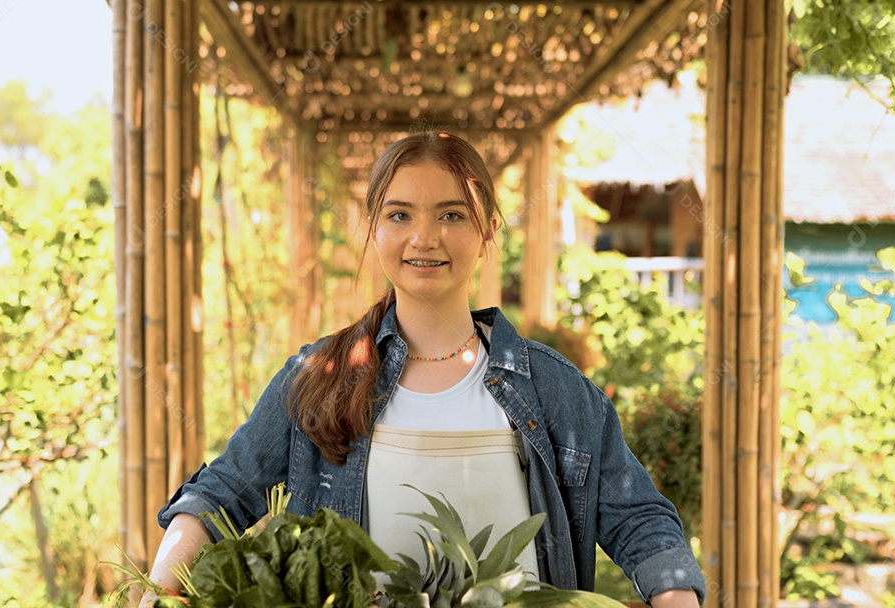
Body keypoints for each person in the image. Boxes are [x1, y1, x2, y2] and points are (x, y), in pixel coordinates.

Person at [141, 131, 705, 607]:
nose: (424, 238)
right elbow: (223, 492)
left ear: (488, 230)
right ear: (374, 228)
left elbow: (639, 519)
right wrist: (156, 590)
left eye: (451, 214)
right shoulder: (319, 377)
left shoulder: (556, 390)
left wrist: (675, 595)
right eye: (400, 215)